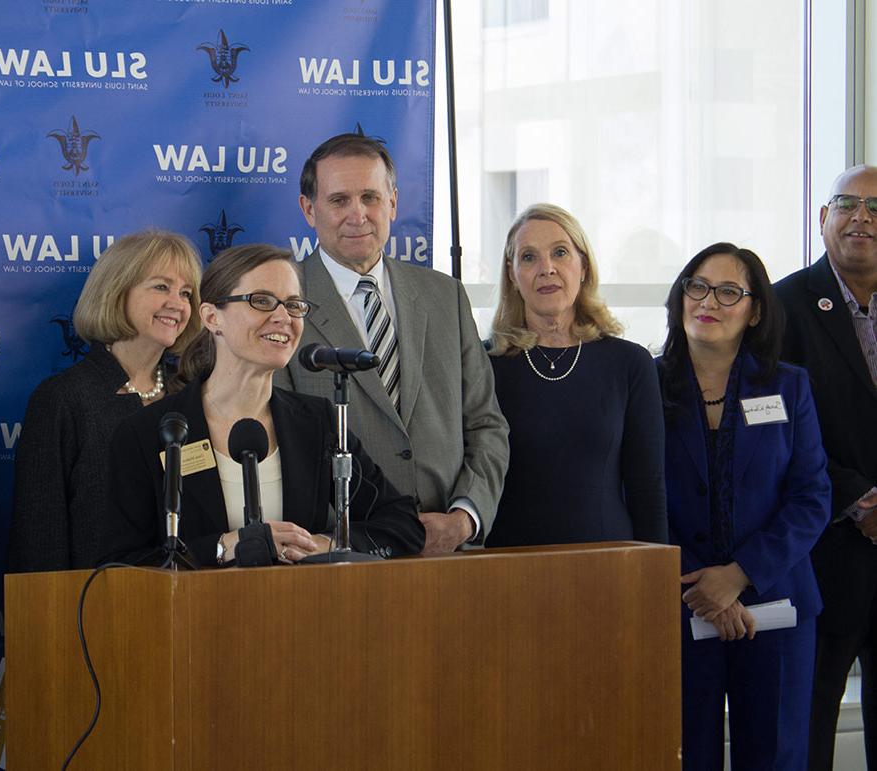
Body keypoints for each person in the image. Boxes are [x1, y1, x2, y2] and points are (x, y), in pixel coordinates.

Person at [101, 244, 425, 566]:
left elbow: (401, 524)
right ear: (212, 317)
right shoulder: (149, 432)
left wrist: (327, 543)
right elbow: (123, 562)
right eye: (262, 301)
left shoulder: (317, 423)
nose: (283, 317)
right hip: (193, 615)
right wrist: (222, 547)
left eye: (294, 305)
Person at [278, 133, 508, 555]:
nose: (358, 214)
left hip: (449, 553)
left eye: (370, 197)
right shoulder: (281, 305)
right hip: (338, 557)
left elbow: (486, 424)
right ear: (309, 209)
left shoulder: (446, 296)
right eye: (339, 200)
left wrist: (463, 519)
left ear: (394, 204)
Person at [660, 243, 830, 770]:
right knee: (687, 755)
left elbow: (812, 497)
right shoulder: (644, 383)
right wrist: (702, 585)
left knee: (776, 757)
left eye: (729, 291)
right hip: (680, 608)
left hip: (775, 607)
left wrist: (739, 575)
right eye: (698, 285)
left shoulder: (788, 385)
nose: (709, 300)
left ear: (754, 311)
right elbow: (633, 498)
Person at [7, 231, 202, 572]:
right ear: (116, 291)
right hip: (94, 610)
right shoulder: (62, 398)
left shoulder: (191, 397)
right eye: (161, 287)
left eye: (186, 293)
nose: (178, 303)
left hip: (187, 607)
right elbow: (39, 543)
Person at [774, 165, 877, 770]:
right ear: (823, 220)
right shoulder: (785, 304)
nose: (861, 217)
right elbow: (780, 427)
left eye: (875, 207)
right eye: (847, 203)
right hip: (825, 550)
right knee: (810, 723)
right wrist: (862, 502)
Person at [486, 203, 667, 547]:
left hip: (607, 566)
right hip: (505, 569)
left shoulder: (630, 363)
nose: (547, 269)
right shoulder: (482, 364)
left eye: (560, 253)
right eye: (528, 257)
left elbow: (648, 488)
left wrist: (655, 582)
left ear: (583, 266)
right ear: (512, 274)